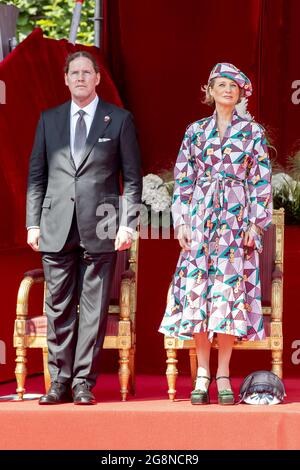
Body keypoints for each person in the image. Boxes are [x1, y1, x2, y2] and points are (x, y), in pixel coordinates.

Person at [27, 51, 142, 405]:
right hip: (55, 226)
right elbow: (36, 177)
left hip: (102, 226)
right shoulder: (49, 120)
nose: (79, 77)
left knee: (92, 309)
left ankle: (82, 383)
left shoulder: (119, 120)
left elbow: (133, 179)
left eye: (86, 72)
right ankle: (58, 382)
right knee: (58, 307)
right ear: (65, 79)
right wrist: (33, 223)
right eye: (74, 72)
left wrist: (128, 225)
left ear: (97, 79)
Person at [159, 62, 272, 405]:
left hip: (236, 226)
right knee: (197, 295)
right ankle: (202, 373)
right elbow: (183, 180)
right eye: (221, 84)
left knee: (227, 295)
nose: (227, 90)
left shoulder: (252, 133)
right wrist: (181, 221)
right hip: (200, 220)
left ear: (240, 94)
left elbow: (261, 180)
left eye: (233, 86)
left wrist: (256, 223)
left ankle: (223, 372)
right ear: (209, 91)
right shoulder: (194, 132)